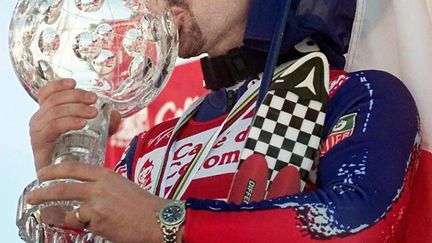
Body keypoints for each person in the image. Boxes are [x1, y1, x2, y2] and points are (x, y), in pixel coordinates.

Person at [25, 0, 420, 242]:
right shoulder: (148, 148)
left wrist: (160, 222)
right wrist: (61, 185)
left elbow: (356, 225)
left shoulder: (355, 93)